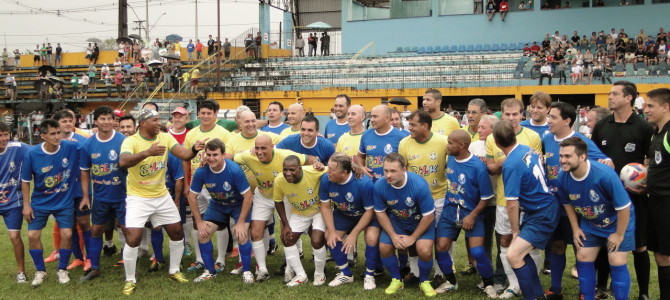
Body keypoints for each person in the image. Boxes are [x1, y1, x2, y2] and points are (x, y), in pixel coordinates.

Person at [117, 109, 207, 295]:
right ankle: (130, 280)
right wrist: (147, 153)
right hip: (138, 197)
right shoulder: (131, 141)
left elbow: (184, 155)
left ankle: (174, 271)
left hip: (161, 195)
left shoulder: (165, 138)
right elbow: (123, 162)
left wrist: (194, 149)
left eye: (159, 120)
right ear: (143, 123)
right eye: (155, 120)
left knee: (176, 232)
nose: (160, 123)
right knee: (133, 237)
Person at [541, 102, 613, 299]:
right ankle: (556, 289)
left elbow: (605, 162)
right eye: (549, 116)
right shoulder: (546, 138)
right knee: (557, 246)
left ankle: (585, 291)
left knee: (581, 248)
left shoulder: (581, 141)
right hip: (554, 205)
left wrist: (607, 164)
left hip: (577, 205)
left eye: (553, 117)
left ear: (567, 120)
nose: (549, 120)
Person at [591, 81, 653, 300]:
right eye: (610, 93)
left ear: (628, 98)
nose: (610, 97)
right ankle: (601, 287)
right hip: (606, 196)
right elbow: (593, 155)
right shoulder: (602, 125)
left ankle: (644, 292)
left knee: (639, 245)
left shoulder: (643, 126)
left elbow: (650, 159)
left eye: (615, 94)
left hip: (634, 196)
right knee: (605, 241)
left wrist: (645, 179)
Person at [553, 137, 634, 300]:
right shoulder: (563, 176)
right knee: (583, 256)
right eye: (561, 156)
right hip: (591, 223)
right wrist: (576, 229)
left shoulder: (604, 175)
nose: (563, 160)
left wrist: (619, 234)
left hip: (617, 221)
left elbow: (624, 207)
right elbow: (567, 203)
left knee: (616, 260)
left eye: (568, 156)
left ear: (582, 156)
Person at [232, 134, 319, 282]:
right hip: (262, 196)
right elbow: (229, 157)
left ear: (272, 147)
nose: (259, 152)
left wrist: (317, 164)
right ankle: (262, 270)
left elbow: (311, 159)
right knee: (256, 231)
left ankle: (289, 269)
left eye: (264, 148)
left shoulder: (284, 155)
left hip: (285, 196)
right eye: (257, 148)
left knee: (287, 231)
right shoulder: (248, 156)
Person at [493, 120, 559, 300]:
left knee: (513, 255)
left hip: (542, 212)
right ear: (514, 135)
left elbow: (512, 203)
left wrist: (515, 231)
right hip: (541, 208)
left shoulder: (511, 165)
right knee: (521, 253)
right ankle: (537, 295)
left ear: (497, 143)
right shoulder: (526, 148)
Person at [485, 98, 543, 299]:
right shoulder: (493, 138)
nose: (511, 118)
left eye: (515, 114)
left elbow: (538, 165)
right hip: (504, 199)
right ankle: (513, 284)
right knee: (506, 240)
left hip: (527, 203)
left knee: (529, 244)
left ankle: (531, 284)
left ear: (522, 114)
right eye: (507, 114)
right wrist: (508, 159)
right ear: (502, 114)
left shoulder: (532, 136)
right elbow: (491, 168)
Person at [434, 129, 497, 298]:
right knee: (440, 247)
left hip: (471, 213)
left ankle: (488, 283)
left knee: (477, 252)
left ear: (462, 145)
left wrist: (472, 216)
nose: (447, 146)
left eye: (450, 143)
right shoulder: (451, 159)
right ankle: (451, 282)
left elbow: (486, 197)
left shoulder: (478, 167)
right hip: (450, 210)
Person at [21, 119, 80, 286]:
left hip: (64, 201)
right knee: (32, 235)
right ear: (43, 136)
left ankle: (62, 269)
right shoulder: (32, 154)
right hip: (40, 202)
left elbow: (89, 146)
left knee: (67, 234)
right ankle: (40, 271)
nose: (57, 137)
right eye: (53, 134)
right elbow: (25, 180)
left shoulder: (70, 147)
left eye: (58, 133)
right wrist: (26, 205)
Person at [188, 138, 254, 283]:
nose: (211, 158)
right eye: (209, 155)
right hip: (218, 204)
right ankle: (210, 271)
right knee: (203, 233)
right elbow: (192, 196)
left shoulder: (234, 170)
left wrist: (241, 222)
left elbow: (248, 197)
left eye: (215, 155)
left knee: (241, 234)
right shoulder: (201, 171)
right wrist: (199, 221)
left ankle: (247, 271)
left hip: (238, 204)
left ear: (223, 155)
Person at [374, 153, 436, 296]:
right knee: (384, 246)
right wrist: (393, 235)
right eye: (386, 170)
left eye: (393, 171)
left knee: (424, 250)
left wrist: (413, 238)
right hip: (397, 222)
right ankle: (396, 279)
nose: (388, 175)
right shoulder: (379, 185)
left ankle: (424, 281)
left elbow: (428, 216)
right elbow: (380, 212)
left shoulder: (419, 185)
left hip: (419, 222)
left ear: (404, 169)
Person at [398, 110, 448, 283]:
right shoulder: (404, 143)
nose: (409, 128)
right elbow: (403, 171)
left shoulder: (443, 141)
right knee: (414, 235)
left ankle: (440, 273)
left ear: (425, 126)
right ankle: (415, 271)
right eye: (408, 124)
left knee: (441, 238)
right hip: (413, 200)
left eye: (413, 125)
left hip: (439, 196)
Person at [181, 100, 231, 274]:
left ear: (216, 114)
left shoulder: (223, 133)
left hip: (216, 183)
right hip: (197, 183)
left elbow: (228, 158)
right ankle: (199, 259)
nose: (205, 116)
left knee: (220, 221)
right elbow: (186, 158)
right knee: (197, 220)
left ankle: (220, 259)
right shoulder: (191, 134)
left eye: (209, 113)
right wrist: (187, 183)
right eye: (202, 113)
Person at [78, 106, 127, 282]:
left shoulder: (123, 141)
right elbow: (84, 171)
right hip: (100, 197)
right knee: (96, 230)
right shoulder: (88, 144)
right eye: (103, 118)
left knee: (127, 231)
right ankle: (95, 267)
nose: (106, 122)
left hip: (123, 196)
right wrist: (85, 196)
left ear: (114, 121)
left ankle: (130, 269)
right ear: (96, 121)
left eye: (109, 118)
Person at [319, 153, 376, 288]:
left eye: (332, 170)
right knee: (329, 235)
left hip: (365, 215)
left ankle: (370, 275)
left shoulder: (364, 183)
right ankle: (346, 273)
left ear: (344, 172)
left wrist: (353, 234)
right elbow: (325, 206)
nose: (329, 172)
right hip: (344, 214)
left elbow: (370, 211)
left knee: (372, 238)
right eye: (329, 168)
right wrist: (332, 231)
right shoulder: (326, 179)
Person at [274, 156, 327, 286]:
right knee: (287, 238)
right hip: (299, 213)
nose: (288, 173)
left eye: (292, 170)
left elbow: (333, 169)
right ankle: (301, 275)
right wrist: (285, 224)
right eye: (285, 170)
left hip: (318, 211)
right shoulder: (279, 180)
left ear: (300, 168)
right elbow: (278, 201)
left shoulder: (313, 171)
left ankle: (320, 274)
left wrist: (355, 166)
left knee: (316, 240)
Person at [642, 88, 670, 300]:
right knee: (661, 254)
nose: (646, 109)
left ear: (665, 107)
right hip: (655, 201)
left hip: (667, 202)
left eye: (650, 105)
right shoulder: (656, 134)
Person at [0, 122, 29, 283]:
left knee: (14, 236)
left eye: (5, 134)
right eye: (0, 135)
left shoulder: (18, 147)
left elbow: (41, 150)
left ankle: (21, 272)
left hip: (13, 201)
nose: (3, 138)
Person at [355, 105, 409, 181]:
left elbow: (406, 164)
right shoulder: (366, 135)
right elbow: (360, 156)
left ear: (387, 118)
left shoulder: (401, 137)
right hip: (372, 185)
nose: (372, 120)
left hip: (392, 186)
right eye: (371, 116)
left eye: (375, 117)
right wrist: (361, 167)